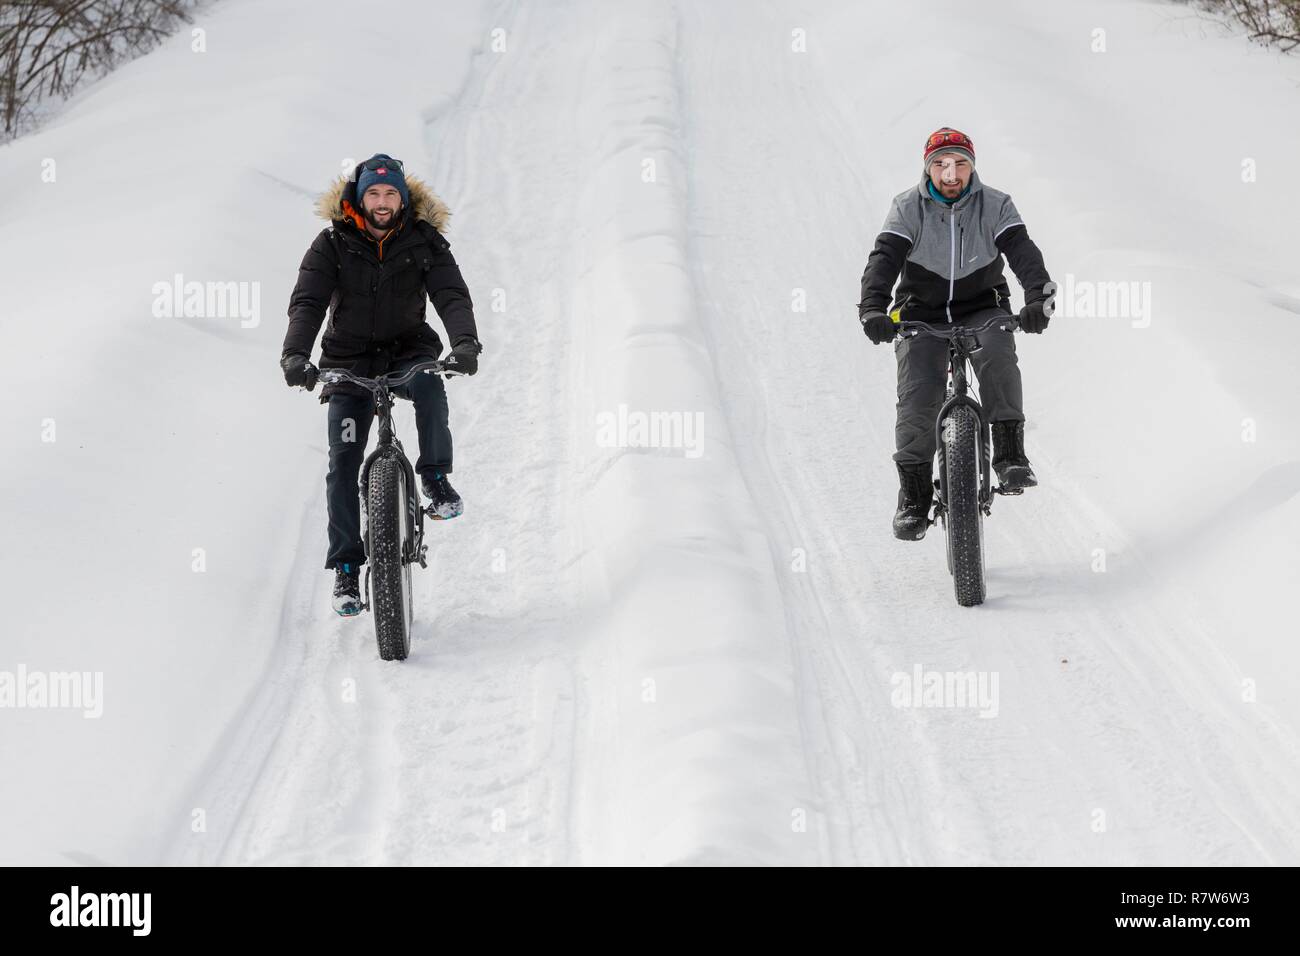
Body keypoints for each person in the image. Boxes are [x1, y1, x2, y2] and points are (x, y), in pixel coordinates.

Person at [280, 153, 482, 615]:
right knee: (343, 463)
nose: (383, 202)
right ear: (359, 198)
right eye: (373, 193)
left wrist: (465, 343)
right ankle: (347, 569)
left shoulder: (424, 240)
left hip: (408, 350)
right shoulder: (331, 244)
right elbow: (308, 301)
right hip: (348, 362)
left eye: (391, 193)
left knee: (429, 385)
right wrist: (295, 355)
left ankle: (434, 478)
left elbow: (451, 294)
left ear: (403, 199)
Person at [858, 127, 1053, 541]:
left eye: (960, 163)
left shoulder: (995, 204)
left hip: (983, 307)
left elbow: (1023, 253)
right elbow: (884, 259)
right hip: (920, 314)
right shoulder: (907, 207)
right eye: (941, 164)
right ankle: (914, 497)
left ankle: (1010, 454)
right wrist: (873, 307)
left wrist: (1037, 298)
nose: (951, 173)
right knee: (918, 397)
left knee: (998, 356)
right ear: (928, 169)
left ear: (972, 167)